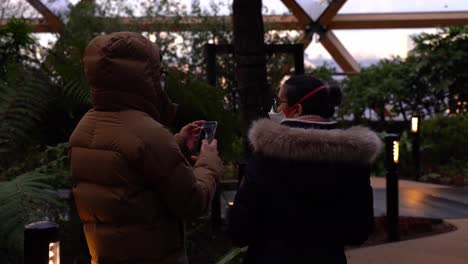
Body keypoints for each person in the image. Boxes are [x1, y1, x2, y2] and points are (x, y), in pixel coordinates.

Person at [69, 32, 224, 264]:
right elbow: (192, 202)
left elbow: (131, 177)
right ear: (143, 78)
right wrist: (208, 162)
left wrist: (177, 143)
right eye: (159, 73)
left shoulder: (84, 128)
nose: (162, 81)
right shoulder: (150, 134)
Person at [227, 75, 382, 264]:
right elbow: (359, 231)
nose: (274, 109)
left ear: (297, 109)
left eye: (279, 102)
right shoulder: (353, 159)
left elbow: (240, 229)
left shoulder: (267, 155)